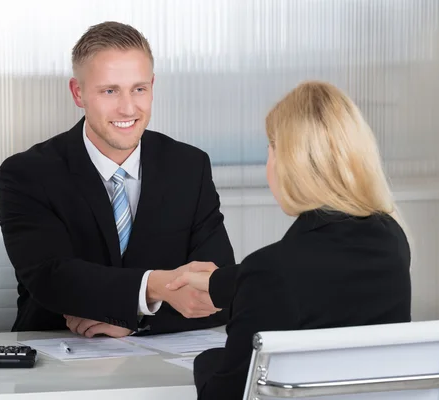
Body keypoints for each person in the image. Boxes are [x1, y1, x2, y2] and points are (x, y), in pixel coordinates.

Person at [166, 81, 412, 399]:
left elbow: (224, 394)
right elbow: (320, 274)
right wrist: (219, 282)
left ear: (289, 161)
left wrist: (209, 360)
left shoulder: (272, 271)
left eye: (270, 148)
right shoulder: (390, 241)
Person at [0, 21, 235, 338]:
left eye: (139, 89)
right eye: (110, 91)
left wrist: (134, 320)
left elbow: (220, 290)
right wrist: (156, 286)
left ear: (152, 86)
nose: (128, 107)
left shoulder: (189, 166)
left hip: (159, 362)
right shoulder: (27, 174)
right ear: (78, 92)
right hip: (57, 358)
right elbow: (52, 279)